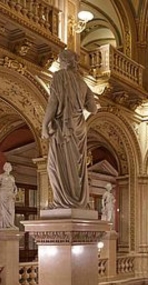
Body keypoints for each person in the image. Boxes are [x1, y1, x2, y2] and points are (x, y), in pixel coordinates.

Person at [41, 49, 98, 209]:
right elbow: (93, 109)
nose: (59, 64)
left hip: (64, 128)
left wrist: (44, 125)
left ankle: (64, 202)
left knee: (55, 167)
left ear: (64, 62)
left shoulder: (59, 76)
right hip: (79, 127)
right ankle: (76, 202)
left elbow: (53, 102)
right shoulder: (83, 84)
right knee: (76, 166)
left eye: (60, 61)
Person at [0, 162, 18, 230]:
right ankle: (2, 225)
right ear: (4, 168)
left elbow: (14, 185)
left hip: (10, 194)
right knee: (3, 209)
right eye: (6, 167)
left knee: (11, 209)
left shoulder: (12, 177)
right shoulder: (1, 176)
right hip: (3, 193)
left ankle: (11, 224)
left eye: (9, 167)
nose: (8, 168)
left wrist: (15, 190)